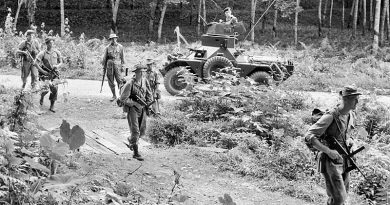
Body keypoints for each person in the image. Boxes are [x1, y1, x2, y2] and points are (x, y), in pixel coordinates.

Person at [305, 85, 362, 205]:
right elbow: (309, 136)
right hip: (330, 161)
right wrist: (328, 151)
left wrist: (353, 144)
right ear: (345, 99)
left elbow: (347, 137)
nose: (357, 101)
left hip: (345, 160)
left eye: (357, 98)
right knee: (339, 198)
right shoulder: (331, 116)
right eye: (354, 99)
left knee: (343, 196)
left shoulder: (351, 115)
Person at [118, 64, 153, 161]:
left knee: (141, 130)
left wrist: (149, 104)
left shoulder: (145, 81)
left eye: (143, 72)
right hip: (132, 109)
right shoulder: (130, 84)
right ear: (136, 73)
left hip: (142, 108)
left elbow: (149, 94)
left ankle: (131, 140)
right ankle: (136, 153)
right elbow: (123, 99)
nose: (142, 73)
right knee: (135, 131)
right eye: (140, 72)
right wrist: (134, 103)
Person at [34, 37, 63, 113]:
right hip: (45, 75)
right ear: (46, 44)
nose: (52, 44)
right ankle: (42, 97)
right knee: (45, 89)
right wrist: (43, 71)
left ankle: (52, 105)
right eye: (50, 43)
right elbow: (35, 64)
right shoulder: (42, 53)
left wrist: (57, 66)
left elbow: (61, 62)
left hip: (54, 74)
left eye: (52, 42)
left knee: (55, 89)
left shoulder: (57, 52)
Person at [102, 33, 125, 101]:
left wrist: (123, 66)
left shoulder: (120, 47)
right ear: (110, 40)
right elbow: (104, 59)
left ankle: (121, 96)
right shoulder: (107, 47)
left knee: (120, 81)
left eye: (114, 38)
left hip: (118, 66)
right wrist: (104, 68)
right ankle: (114, 95)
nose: (113, 40)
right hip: (109, 66)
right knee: (111, 81)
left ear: (116, 38)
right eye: (111, 39)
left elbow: (123, 57)